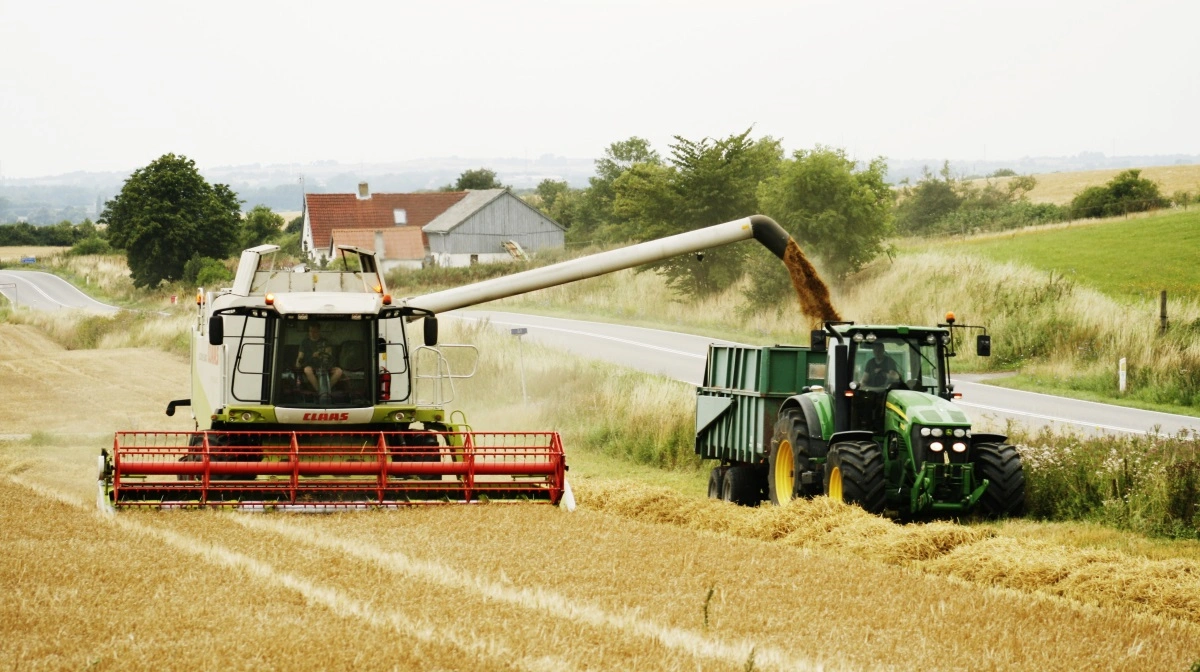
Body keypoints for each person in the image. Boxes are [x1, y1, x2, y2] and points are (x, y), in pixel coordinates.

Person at [296, 323, 342, 403]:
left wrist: (321, 353)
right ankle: (321, 392)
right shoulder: (305, 342)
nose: (312, 333)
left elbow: (329, 354)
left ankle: (324, 391)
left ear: (319, 331)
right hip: (311, 365)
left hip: (325, 366)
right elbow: (300, 356)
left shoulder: (325, 341)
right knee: (307, 370)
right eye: (311, 331)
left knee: (339, 371)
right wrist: (298, 363)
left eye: (315, 331)